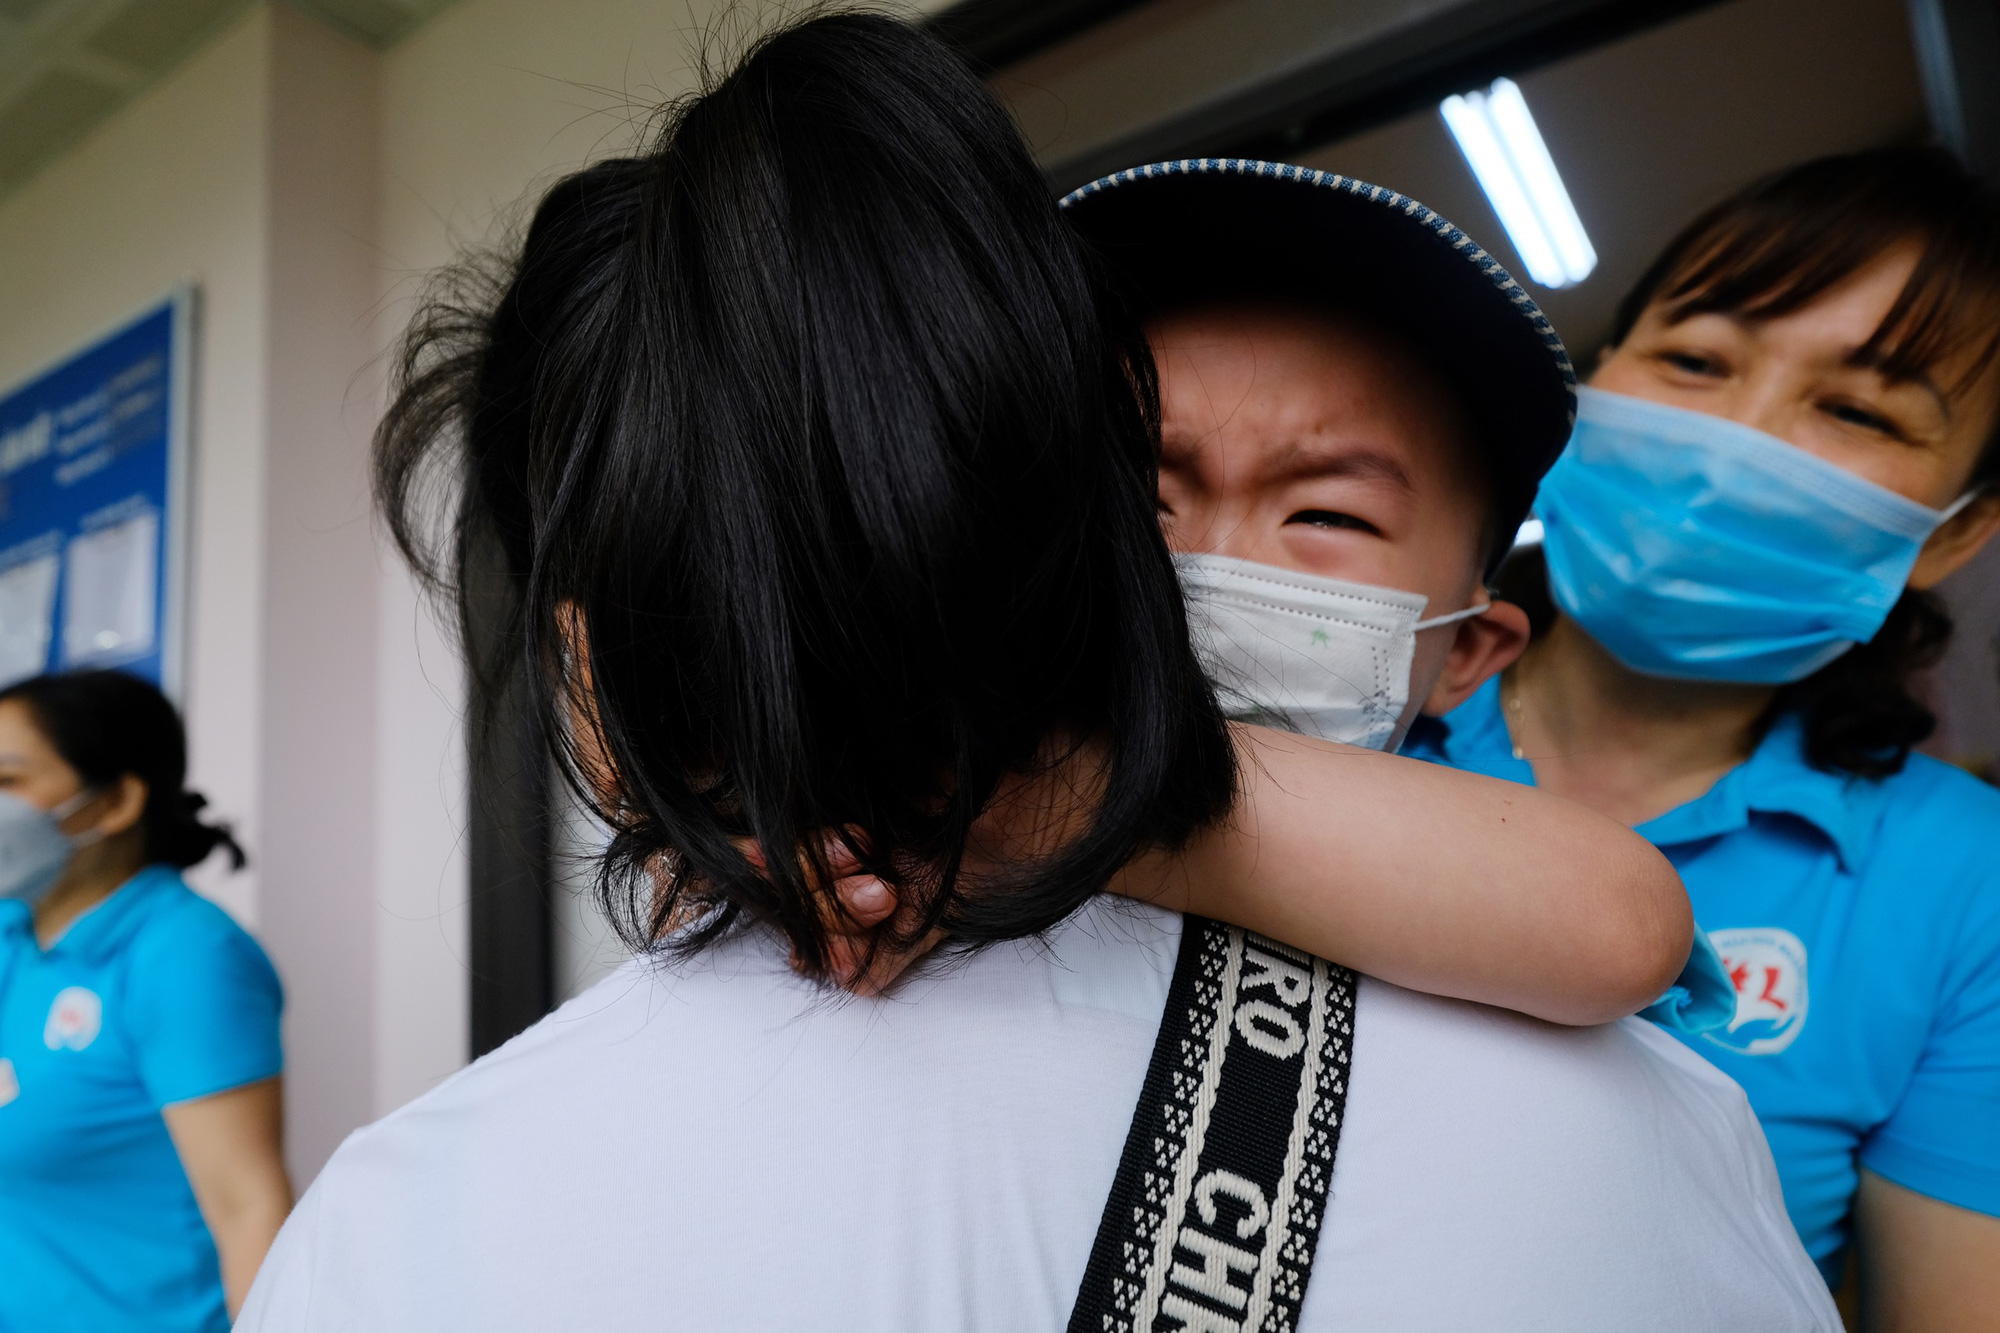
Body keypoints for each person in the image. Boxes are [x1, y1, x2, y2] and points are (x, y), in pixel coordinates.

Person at [240, 16, 1831, 1330]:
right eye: (1146, 490)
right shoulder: (1638, 1124)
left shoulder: (408, 1222)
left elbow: (1620, 920)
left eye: (1330, 509)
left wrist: (1010, 789)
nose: (1221, 560)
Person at [1403, 147, 2000, 1322]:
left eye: (1854, 408)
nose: (1734, 445)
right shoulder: (1345, 701)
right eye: (1691, 359)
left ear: (1948, 535)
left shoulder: (1964, 881)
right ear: (1590, 385)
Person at [0, 669, 290, 1332]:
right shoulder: (13, 931)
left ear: (114, 802)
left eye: (7, 780)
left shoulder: (185, 956)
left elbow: (247, 1208)